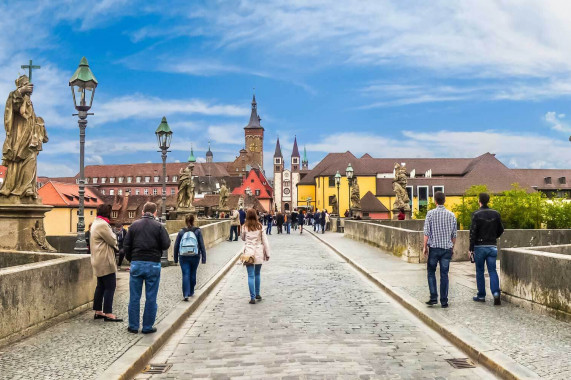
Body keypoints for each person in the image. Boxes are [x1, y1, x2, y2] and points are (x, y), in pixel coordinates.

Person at [124, 202, 171, 334]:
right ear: (155, 213)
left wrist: (131, 259)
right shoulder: (159, 227)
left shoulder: (133, 226)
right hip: (153, 264)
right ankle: (147, 327)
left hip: (137, 263)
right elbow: (166, 244)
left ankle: (133, 326)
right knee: (151, 297)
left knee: (134, 297)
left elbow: (126, 245)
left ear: (143, 212)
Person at [422, 191, 457, 308]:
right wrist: (452, 247)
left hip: (434, 248)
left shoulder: (430, 214)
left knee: (431, 272)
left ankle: (433, 298)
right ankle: (444, 301)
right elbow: (454, 235)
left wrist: (424, 247)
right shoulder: (451, 215)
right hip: (446, 248)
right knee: (444, 275)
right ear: (444, 200)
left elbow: (426, 232)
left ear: (435, 201)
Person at [470, 193, 504, 305]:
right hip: (492, 246)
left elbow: (473, 233)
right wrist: (493, 238)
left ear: (479, 201)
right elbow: (501, 230)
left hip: (479, 247)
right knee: (492, 270)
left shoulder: (476, 214)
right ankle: (496, 293)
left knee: (480, 271)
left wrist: (471, 248)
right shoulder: (496, 214)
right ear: (488, 201)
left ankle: (481, 296)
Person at [90, 204, 122, 322]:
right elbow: (113, 240)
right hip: (105, 260)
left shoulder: (95, 223)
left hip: (98, 259)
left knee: (101, 286)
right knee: (110, 286)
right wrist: (114, 236)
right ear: (107, 213)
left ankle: (98, 311)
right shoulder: (103, 225)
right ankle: (108, 313)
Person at [174, 213, 207, 301]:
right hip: (195, 255)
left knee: (185, 274)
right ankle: (191, 291)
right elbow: (201, 245)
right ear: (193, 220)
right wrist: (204, 258)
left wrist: (175, 259)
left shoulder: (181, 232)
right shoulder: (197, 231)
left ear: (185, 221)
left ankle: (185, 294)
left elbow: (176, 245)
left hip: (183, 256)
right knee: (193, 273)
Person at [241, 208, 271, 304]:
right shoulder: (260, 226)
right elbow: (265, 241)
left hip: (249, 253)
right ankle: (258, 293)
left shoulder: (244, 227)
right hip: (258, 252)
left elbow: (242, 238)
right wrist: (268, 253)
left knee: (250, 275)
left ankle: (252, 297)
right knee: (257, 274)